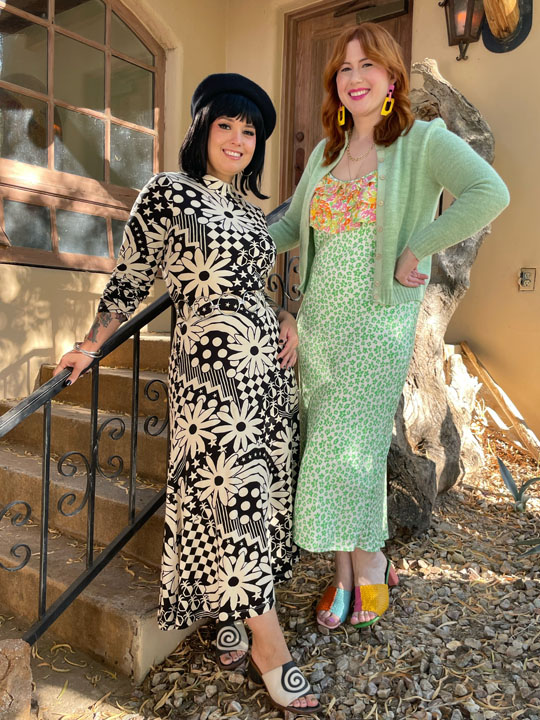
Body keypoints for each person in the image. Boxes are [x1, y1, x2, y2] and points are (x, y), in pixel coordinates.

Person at [54, 73, 320, 715]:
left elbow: (265, 280)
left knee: (254, 494)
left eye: (249, 131)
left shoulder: (256, 212)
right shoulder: (167, 194)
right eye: (225, 126)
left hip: (265, 374)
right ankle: (268, 643)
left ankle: (232, 611)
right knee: (228, 494)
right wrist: (92, 343)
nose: (237, 139)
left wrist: (287, 316)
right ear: (203, 130)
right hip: (209, 371)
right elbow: (130, 282)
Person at [268, 23, 510, 632]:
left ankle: (369, 563)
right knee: (336, 450)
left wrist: (420, 245)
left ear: (392, 79)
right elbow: (291, 230)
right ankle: (347, 571)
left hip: (378, 324)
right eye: (344, 69)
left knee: (348, 449)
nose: (354, 78)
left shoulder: (423, 142)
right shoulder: (324, 155)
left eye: (366, 66)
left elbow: (489, 192)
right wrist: (229, 241)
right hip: (320, 323)